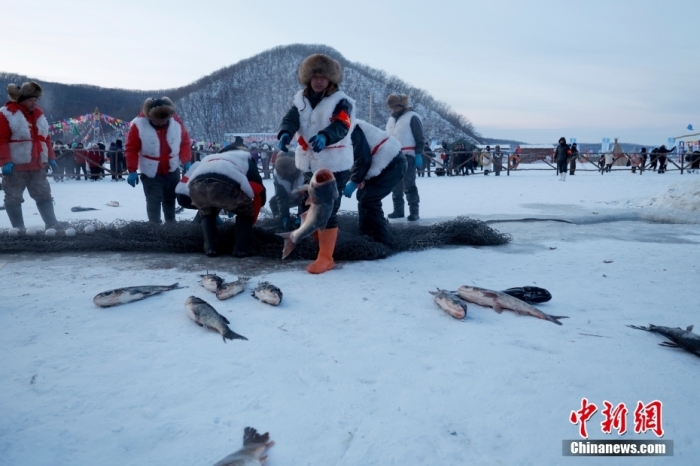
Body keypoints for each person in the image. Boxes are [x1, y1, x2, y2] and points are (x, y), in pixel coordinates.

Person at [277, 53, 355, 273]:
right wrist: (285, 133)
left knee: (327, 210)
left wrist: (326, 136)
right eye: (315, 76)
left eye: (323, 76)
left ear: (331, 79)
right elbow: (290, 120)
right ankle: (309, 239)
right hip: (309, 163)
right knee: (307, 204)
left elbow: (342, 124)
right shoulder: (299, 100)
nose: (319, 80)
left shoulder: (342, 101)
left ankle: (325, 257)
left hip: (334, 164)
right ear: (308, 79)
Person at [0, 81, 61, 229]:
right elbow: (1, 140)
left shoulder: (39, 115)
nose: (34, 103)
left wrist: (51, 157)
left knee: (44, 194)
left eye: (35, 100)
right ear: (21, 100)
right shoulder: (7, 114)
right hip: (15, 166)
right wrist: (5, 161)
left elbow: (45, 138)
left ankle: (51, 224)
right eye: (30, 100)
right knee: (13, 197)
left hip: (37, 164)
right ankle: (19, 228)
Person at [185, 145, 265, 257]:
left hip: (196, 187)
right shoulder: (245, 156)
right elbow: (256, 181)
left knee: (207, 212)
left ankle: (210, 248)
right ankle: (241, 249)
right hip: (223, 185)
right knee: (245, 211)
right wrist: (262, 200)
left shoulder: (211, 157)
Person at [125, 97, 192, 223]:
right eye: (157, 121)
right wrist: (132, 170)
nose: (161, 123)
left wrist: (186, 160)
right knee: (153, 199)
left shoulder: (176, 123)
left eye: (164, 121)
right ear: (150, 117)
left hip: (172, 168)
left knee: (170, 197)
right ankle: (154, 226)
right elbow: (131, 149)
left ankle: (170, 223)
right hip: (151, 171)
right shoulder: (138, 125)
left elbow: (185, 142)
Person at [344, 120, 407, 246]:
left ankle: (383, 240)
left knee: (370, 199)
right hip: (378, 164)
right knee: (362, 197)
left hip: (392, 162)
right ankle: (365, 234)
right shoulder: (338, 134)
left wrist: (354, 181)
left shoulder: (350, 130)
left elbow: (363, 159)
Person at [385, 94, 424, 221]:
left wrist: (418, 154)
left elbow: (420, 138)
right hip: (393, 156)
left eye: (395, 106)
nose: (393, 109)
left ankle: (414, 211)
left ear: (402, 105)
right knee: (395, 185)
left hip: (408, 155)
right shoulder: (391, 120)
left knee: (409, 184)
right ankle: (398, 210)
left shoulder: (412, 117)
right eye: (391, 107)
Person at [270, 154, 305, 229]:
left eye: (291, 170)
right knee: (273, 202)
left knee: (306, 200)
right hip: (287, 197)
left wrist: (301, 216)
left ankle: (303, 219)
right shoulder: (278, 176)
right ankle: (280, 220)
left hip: (301, 196)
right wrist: (284, 217)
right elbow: (281, 197)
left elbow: (308, 195)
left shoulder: (304, 172)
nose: (290, 172)